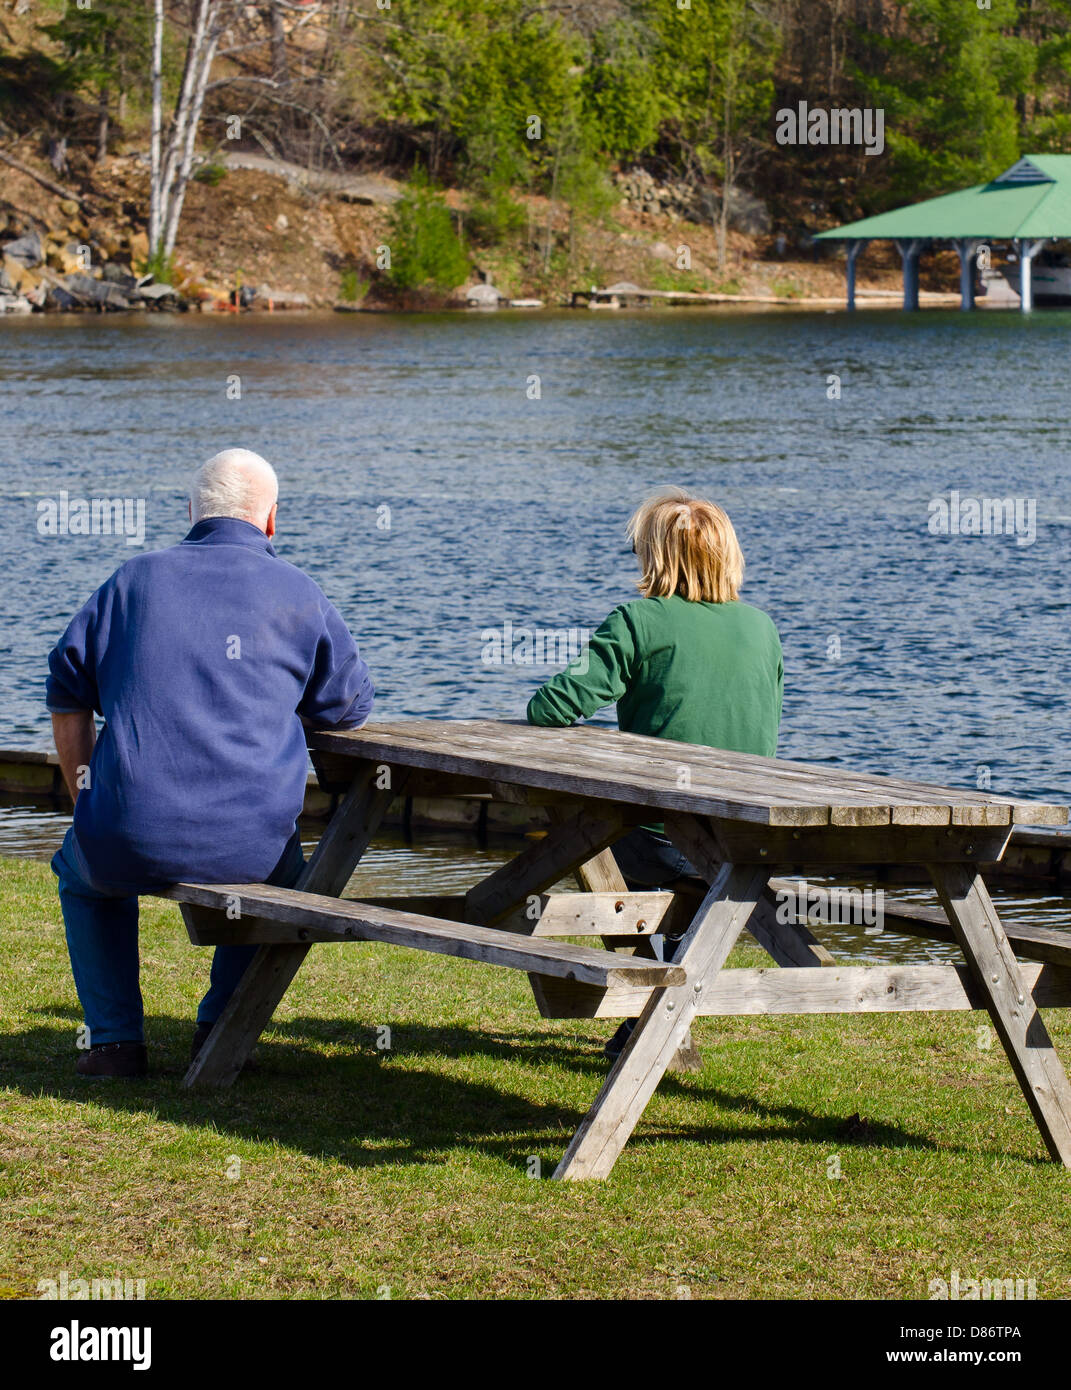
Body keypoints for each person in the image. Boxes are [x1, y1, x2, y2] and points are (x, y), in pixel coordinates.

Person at [47, 448, 375, 1078]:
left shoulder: (130, 581)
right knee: (281, 879)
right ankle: (220, 1029)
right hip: (250, 845)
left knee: (84, 879)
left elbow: (65, 692)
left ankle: (114, 1043)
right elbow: (346, 711)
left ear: (189, 512)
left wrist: (86, 794)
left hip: (124, 834)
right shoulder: (299, 594)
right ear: (272, 521)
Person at [526, 487, 783, 1057]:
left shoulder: (638, 621)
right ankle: (655, 1018)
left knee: (587, 849)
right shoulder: (762, 629)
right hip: (746, 834)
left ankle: (648, 1016)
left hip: (662, 838)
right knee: (653, 862)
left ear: (655, 557)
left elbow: (553, 707)